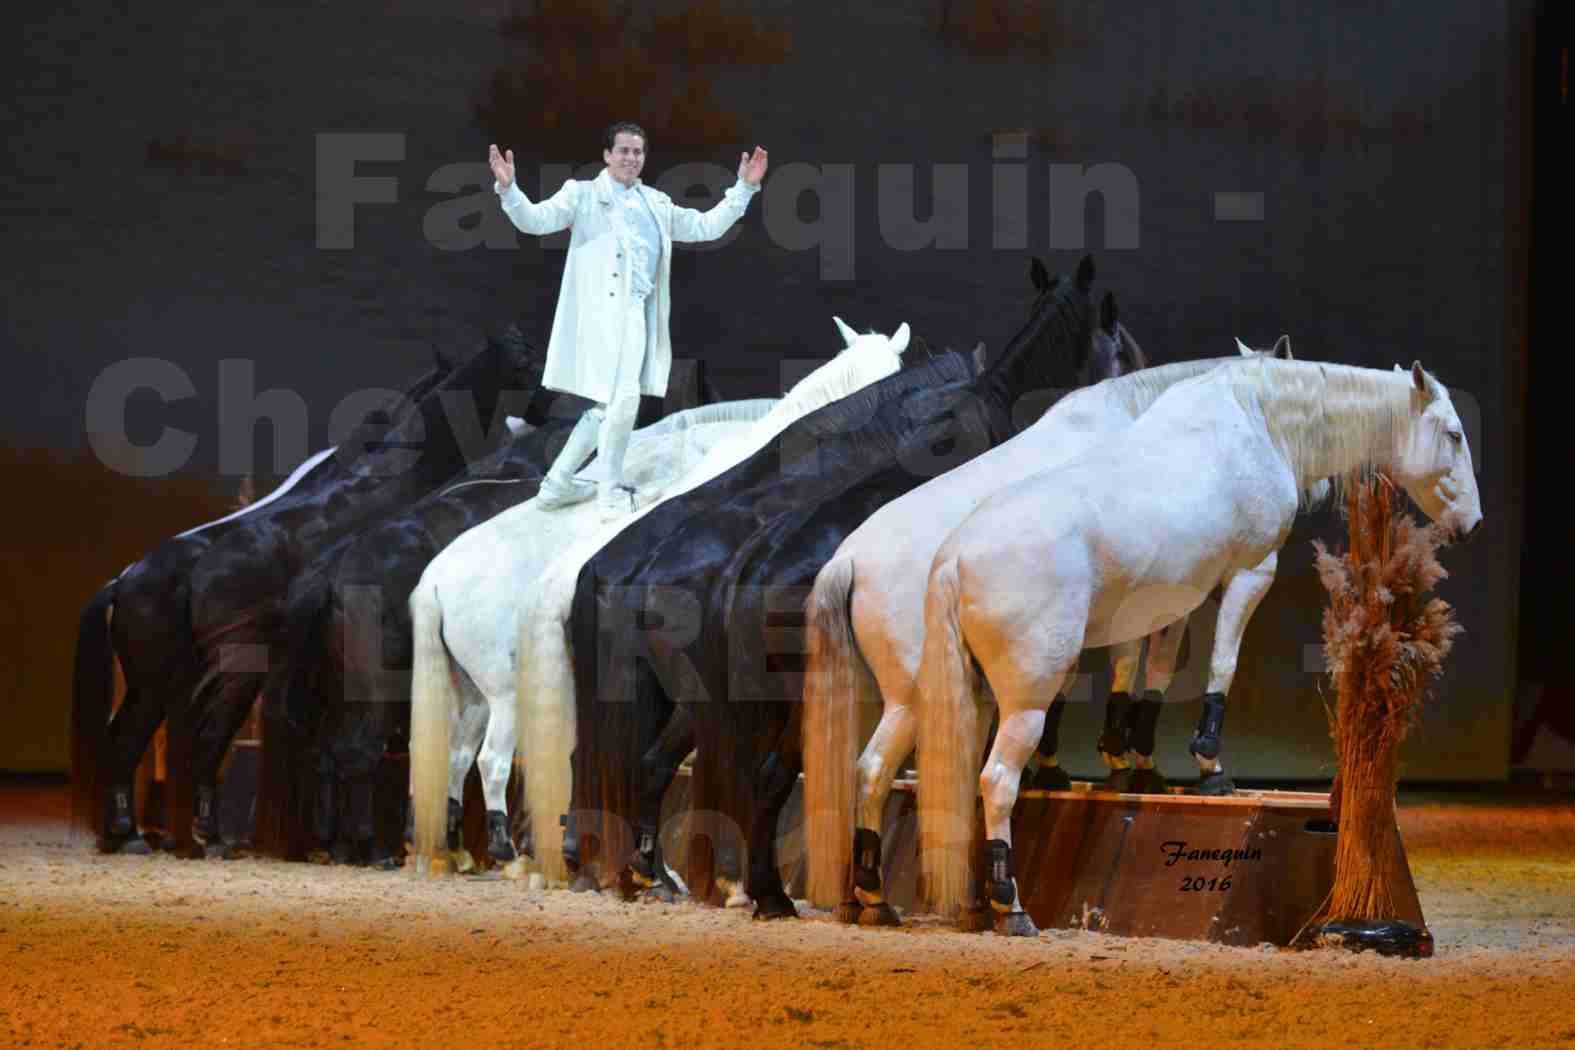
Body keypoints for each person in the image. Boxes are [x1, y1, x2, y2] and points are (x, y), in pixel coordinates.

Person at [488, 123, 768, 519]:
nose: (631, 158)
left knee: (609, 403)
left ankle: (557, 483)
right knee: (625, 399)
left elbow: (706, 227)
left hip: (638, 314)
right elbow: (534, 221)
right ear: (606, 155)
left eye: (638, 152)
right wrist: (509, 190)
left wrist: (744, 189)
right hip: (602, 317)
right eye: (623, 151)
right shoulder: (582, 195)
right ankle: (610, 494)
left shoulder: (656, 202)